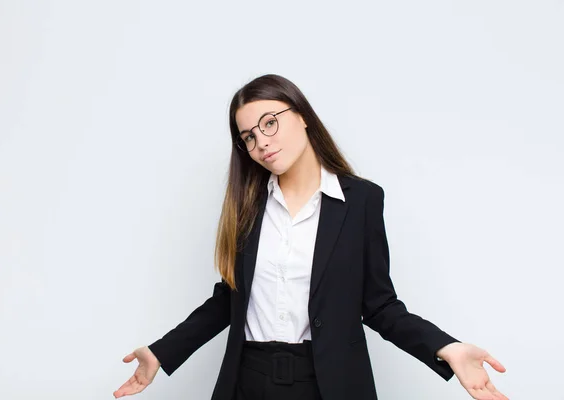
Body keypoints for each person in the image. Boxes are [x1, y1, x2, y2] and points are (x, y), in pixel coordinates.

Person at [113, 74, 508, 400]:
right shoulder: (247, 207)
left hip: (329, 384)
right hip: (247, 380)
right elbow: (228, 299)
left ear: (301, 115)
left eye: (269, 123)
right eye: (248, 136)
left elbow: (380, 305)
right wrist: (161, 354)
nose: (261, 142)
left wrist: (447, 348)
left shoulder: (362, 201)